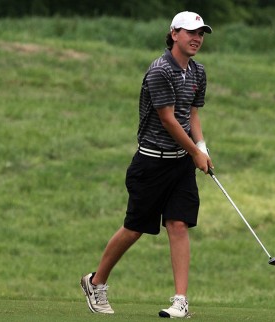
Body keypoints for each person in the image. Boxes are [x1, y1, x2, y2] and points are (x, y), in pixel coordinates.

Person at [80, 11, 213, 318]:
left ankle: (180, 300)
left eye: (201, 34)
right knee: (135, 228)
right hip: (151, 163)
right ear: (174, 34)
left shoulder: (198, 72)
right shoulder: (159, 71)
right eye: (190, 32)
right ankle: (96, 281)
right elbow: (168, 119)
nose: (196, 38)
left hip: (181, 164)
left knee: (178, 225)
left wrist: (202, 148)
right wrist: (196, 152)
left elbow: (192, 114)